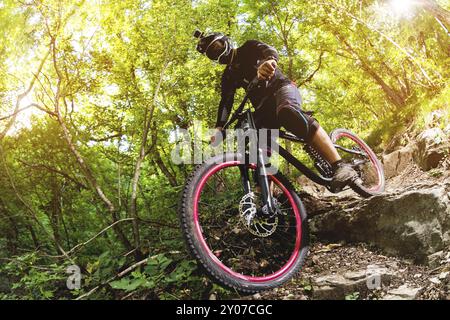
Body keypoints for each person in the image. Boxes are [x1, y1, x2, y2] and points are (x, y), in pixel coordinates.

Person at [194, 31, 357, 190]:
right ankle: (266, 196)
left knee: (288, 113)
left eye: (216, 46)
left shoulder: (248, 47)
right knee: (257, 144)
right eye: (212, 54)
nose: (217, 53)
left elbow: (268, 50)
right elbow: (226, 101)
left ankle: (340, 165)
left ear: (225, 40)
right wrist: (219, 127)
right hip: (263, 107)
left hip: (281, 88)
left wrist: (269, 61)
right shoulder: (228, 75)